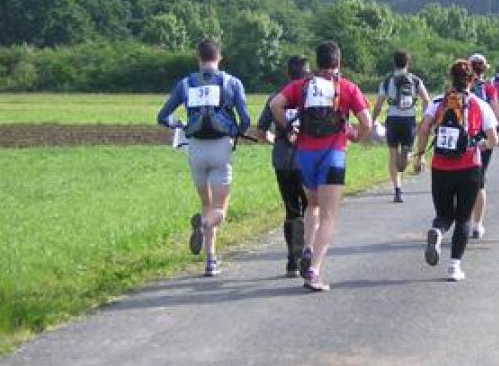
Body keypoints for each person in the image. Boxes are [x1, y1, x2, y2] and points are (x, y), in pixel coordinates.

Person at [270, 41, 372, 291]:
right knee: (328, 215)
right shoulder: (347, 87)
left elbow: (275, 105)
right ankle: (314, 270)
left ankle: (306, 247)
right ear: (339, 62)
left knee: (312, 204)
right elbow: (366, 123)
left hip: (304, 156)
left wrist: (290, 127)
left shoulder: (301, 86)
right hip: (333, 156)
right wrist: (356, 136)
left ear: (317, 62)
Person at [156, 39, 250, 277]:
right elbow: (246, 119)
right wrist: (237, 132)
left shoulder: (186, 83)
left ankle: (211, 260)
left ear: (198, 57)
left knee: (205, 205)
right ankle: (204, 227)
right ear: (220, 58)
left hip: (195, 149)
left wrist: (180, 124)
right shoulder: (232, 83)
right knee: (219, 210)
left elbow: (163, 116)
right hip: (221, 148)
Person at [413, 60, 498, 281]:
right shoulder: (480, 105)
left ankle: (438, 231)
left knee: (443, 215)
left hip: (440, 166)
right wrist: (476, 144)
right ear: (473, 79)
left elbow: (424, 129)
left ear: (451, 78)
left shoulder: (439, 102)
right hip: (469, 167)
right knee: (463, 218)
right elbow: (493, 140)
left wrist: (420, 154)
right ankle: (454, 267)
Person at [257, 56, 310, 277]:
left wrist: (274, 140)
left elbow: (261, 131)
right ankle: (307, 252)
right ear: (307, 75)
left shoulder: (275, 98)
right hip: (308, 159)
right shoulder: (311, 97)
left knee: (291, 210)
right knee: (311, 208)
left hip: (282, 160)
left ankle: (291, 260)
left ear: (287, 74)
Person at [370, 50, 430, 203]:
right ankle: (408, 154)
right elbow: (426, 100)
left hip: (393, 119)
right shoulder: (416, 80)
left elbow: (378, 105)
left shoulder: (387, 81)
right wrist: (424, 119)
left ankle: (398, 190)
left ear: (394, 63)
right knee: (407, 148)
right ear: (407, 63)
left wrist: (372, 120)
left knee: (392, 155)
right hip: (409, 119)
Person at [468, 53, 499, 239]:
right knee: (480, 181)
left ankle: (461, 218)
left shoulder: (462, 86)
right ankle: (477, 224)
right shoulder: (489, 88)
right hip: (484, 138)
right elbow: (496, 113)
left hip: (464, 136)